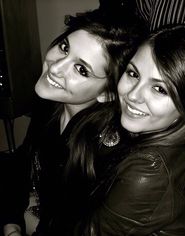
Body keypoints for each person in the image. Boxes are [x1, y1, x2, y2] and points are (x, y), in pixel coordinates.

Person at [1, 9, 147, 236]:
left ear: (107, 94)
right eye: (64, 47)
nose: (55, 67)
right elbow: (23, 161)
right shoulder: (51, 101)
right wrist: (11, 223)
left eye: (81, 69)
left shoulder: (103, 152)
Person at [68, 25, 185, 235]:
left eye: (159, 89)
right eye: (133, 73)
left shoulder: (152, 169)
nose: (133, 95)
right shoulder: (184, 132)